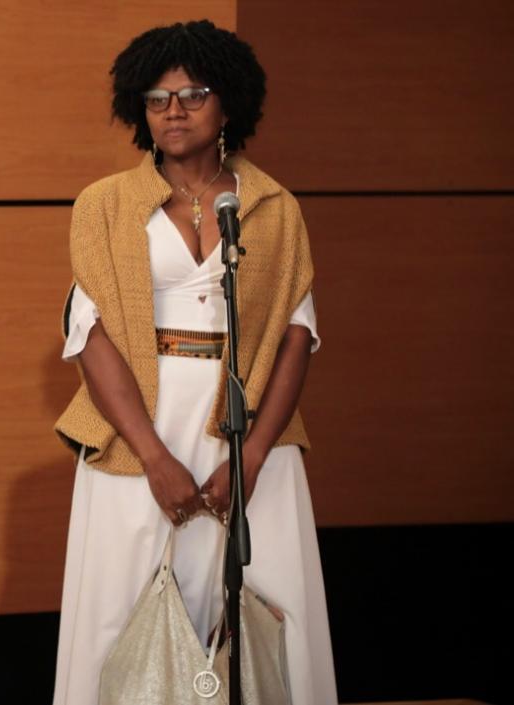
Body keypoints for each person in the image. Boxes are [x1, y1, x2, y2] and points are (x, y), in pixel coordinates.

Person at [51, 20, 337, 704]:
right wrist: (153, 456)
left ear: (229, 102)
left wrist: (252, 458)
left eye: (193, 94)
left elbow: (296, 335)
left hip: (251, 431)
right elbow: (90, 336)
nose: (173, 110)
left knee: (267, 609)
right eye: (157, 98)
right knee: (122, 609)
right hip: (136, 432)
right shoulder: (103, 205)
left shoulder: (274, 207)